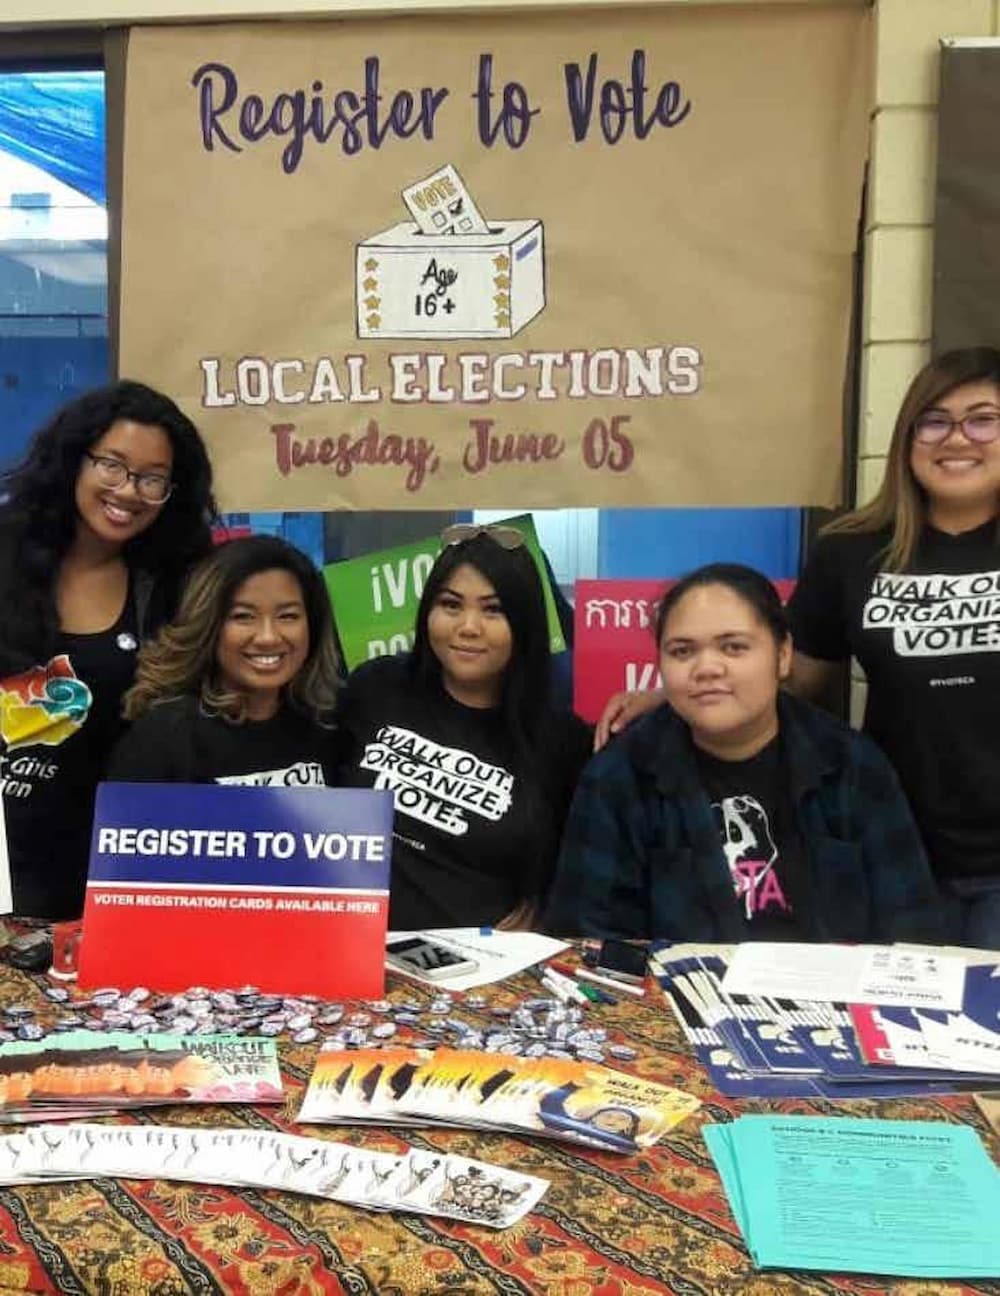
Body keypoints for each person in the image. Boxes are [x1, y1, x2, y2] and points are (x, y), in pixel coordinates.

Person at [544, 564, 944, 942]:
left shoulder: (851, 764)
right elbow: (589, 942)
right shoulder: (619, 777)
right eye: (682, 651)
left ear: (783, 655)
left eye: (733, 647)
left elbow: (911, 931)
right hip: (676, 1003)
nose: (707, 668)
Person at [787, 347, 1000, 947]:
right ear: (909, 439)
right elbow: (796, 680)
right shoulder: (851, 550)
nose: (957, 438)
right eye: (934, 421)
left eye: (982, 418)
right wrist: (678, 700)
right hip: (892, 851)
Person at [0, 381, 216, 919]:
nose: (128, 490)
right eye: (112, 466)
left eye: (152, 478)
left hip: (99, 872)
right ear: (75, 459)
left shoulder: (173, 583)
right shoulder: (4, 547)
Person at [335, 524, 592, 930]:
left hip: (481, 967)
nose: (468, 626)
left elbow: (572, 866)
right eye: (451, 605)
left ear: (523, 622)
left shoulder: (561, 737)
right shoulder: (374, 687)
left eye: (494, 610)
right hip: (358, 945)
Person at [108, 535, 340, 786]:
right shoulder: (163, 737)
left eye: (287, 616)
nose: (268, 637)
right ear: (209, 626)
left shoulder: (328, 729)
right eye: (243, 616)